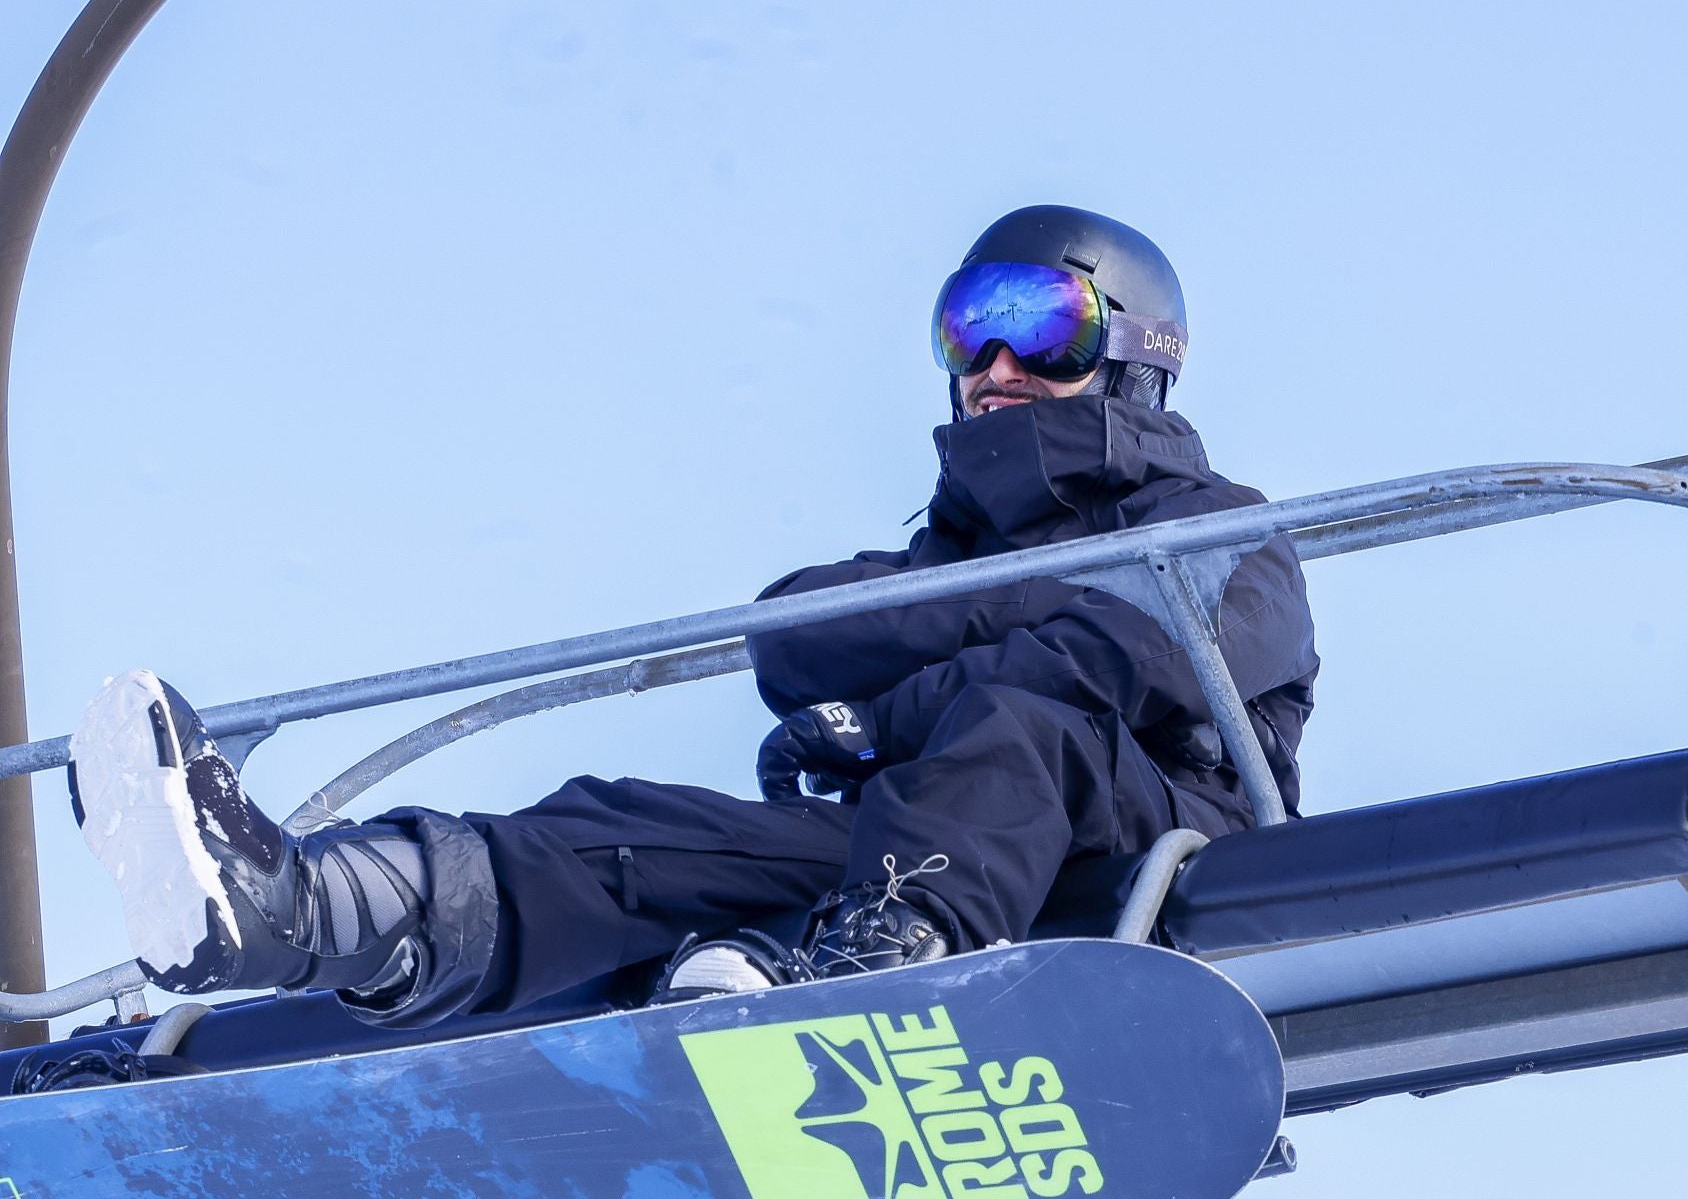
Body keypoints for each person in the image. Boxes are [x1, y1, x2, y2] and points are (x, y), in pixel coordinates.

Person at [67, 205, 1319, 1029]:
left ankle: (866, 987)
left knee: (1016, 719)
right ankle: (307, 912)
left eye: (1041, 326)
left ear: (1136, 355)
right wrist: (915, 665)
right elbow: (795, 634)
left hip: (1151, 841)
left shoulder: (1224, 527)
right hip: (918, 857)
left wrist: (885, 704)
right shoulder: (930, 555)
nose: (995, 363)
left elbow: (1120, 655)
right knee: (629, 826)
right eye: (968, 324)